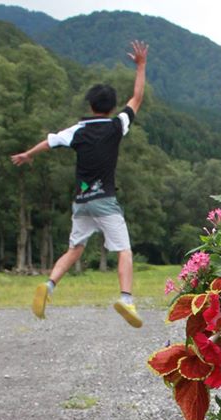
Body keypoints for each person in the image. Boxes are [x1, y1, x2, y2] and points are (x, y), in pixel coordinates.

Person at [10, 40, 149, 328]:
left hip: (81, 202)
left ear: (90, 105)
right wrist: (141, 65)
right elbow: (137, 98)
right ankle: (126, 299)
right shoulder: (117, 125)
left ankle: (49, 285)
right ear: (111, 107)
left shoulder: (77, 130)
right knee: (124, 250)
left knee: (75, 249)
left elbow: (49, 141)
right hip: (105, 200)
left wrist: (27, 154)